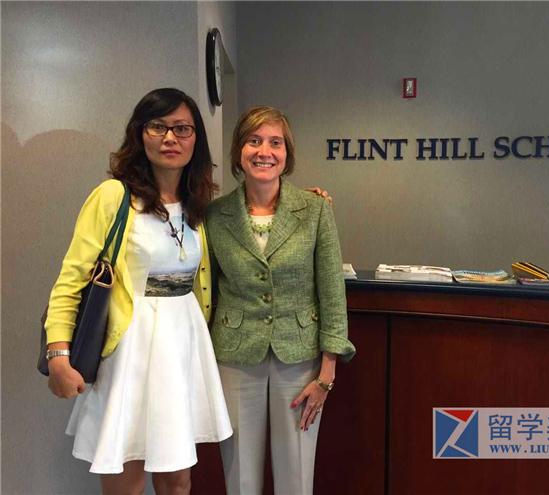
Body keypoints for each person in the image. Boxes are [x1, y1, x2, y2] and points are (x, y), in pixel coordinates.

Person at [44, 88, 233, 494]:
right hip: (130, 351)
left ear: (196, 138)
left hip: (183, 349)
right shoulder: (114, 196)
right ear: (139, 133)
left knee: (178, 480)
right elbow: (70, 280)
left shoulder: (198, 203)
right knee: (126, 481)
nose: (170, 138)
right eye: (158, 127)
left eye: (182, 129)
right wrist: (58, 354)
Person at [205, 106, 356, 494]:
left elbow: (332, 292)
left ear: (287, 153)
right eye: (254, 141)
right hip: (235, 355)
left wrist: (327, 373)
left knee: (296, 472)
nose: (264, 151)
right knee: (240, 474)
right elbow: (207, 288)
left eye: (275, 142)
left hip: (300, 357)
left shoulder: (315, 209)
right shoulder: (215, 215)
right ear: (239, 150)